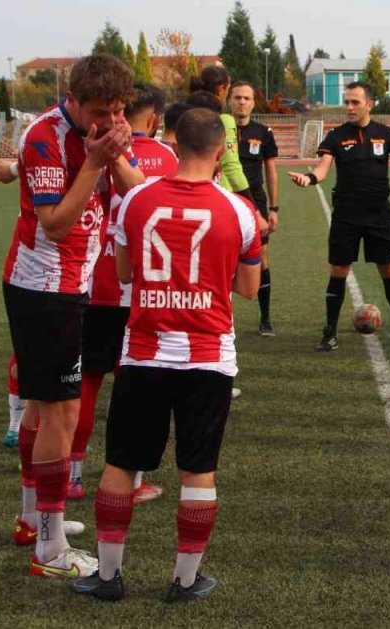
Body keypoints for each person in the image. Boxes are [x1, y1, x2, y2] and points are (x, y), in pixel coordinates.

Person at [74, 108, 262, 603]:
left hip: (144, 354)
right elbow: (248, 287)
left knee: (121, 464)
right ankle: (184, 581)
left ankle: (109, 576)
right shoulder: (240, 211)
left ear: (175, 145)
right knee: (197, 469)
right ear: (221, 150)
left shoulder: (135, 199)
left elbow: (126, 272)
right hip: (207, 356)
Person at [3, 53, 143, 579]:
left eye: (117, 110)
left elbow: (136, 193)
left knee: (43, 412)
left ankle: (30, 519)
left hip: (71, 286)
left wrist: (116, 153)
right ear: (74, 102)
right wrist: (93, 161)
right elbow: (56, 224)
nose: (107, 121)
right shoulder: (44, 136)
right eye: (98, 112)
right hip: (43, 288)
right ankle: (50, 549)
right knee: (60, 415)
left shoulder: (108, 131)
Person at [68, 85, 177, 504]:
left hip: (94, 281)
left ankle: (73, 473)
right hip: (139, 288)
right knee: (130, 386)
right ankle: (128, 481)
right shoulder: (167, 157)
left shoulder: (86, 147)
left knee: (87, 383)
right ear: (153, 120)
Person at [288, 81, 390, 352]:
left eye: (355, 102)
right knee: (339, 270)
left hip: (379, 216)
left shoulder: (386, 134)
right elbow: (322, 170)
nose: (349, 107)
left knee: (388, 269)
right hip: (346, 216)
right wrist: (308, 179)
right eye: (347, 102)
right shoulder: (335, 136)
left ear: (369, 104)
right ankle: (329, 333)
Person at [228, 81, 280, 336]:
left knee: (261, 259)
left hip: (255, 202)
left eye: (247, 98)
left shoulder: (263, 132)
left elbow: (271, 172)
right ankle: (223, 317)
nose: (242, 102)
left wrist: (274, 207)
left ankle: (266, 318)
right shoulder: (219, 129)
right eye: (237, 97)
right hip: (225, 199)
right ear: (229, 100)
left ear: (253, 103)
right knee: (222, 258)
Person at [187, 66, 249, 194]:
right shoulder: (223, 120)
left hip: (184, 190)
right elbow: (232, 167)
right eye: (228, 88)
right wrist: (253, 207)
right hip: (217, 192)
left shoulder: (182, 117)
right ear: (221, 89)